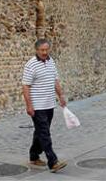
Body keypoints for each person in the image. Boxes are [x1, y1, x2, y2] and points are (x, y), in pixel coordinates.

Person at [22, 39, 67, 173]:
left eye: (47, 49)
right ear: (36, 50)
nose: (44, 52)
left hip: (49, 104)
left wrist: (61, 95)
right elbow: (25, 86)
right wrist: (29, 105)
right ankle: (53, 162)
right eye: (42, 50)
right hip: (37, 106)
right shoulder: (31, 65)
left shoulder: (51, 61)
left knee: (40, 131)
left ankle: (34, 156)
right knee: (44, 133)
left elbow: (55, 80)